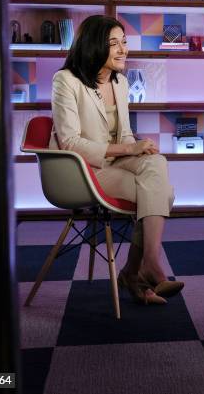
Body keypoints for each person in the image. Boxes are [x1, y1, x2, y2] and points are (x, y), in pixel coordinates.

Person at [51, 15, 183, 305]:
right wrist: (128, 150)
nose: (124, 49)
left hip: (113, 163)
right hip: (81, 170)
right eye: (114, 43)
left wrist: (138, 147)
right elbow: (70, 143)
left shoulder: (120, 81)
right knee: (163, 193)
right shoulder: (66, 81)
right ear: (94, 46)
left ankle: (145, 263)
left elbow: (124, 134)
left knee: (156, 163)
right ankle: (137, 270)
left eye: (124, 41)